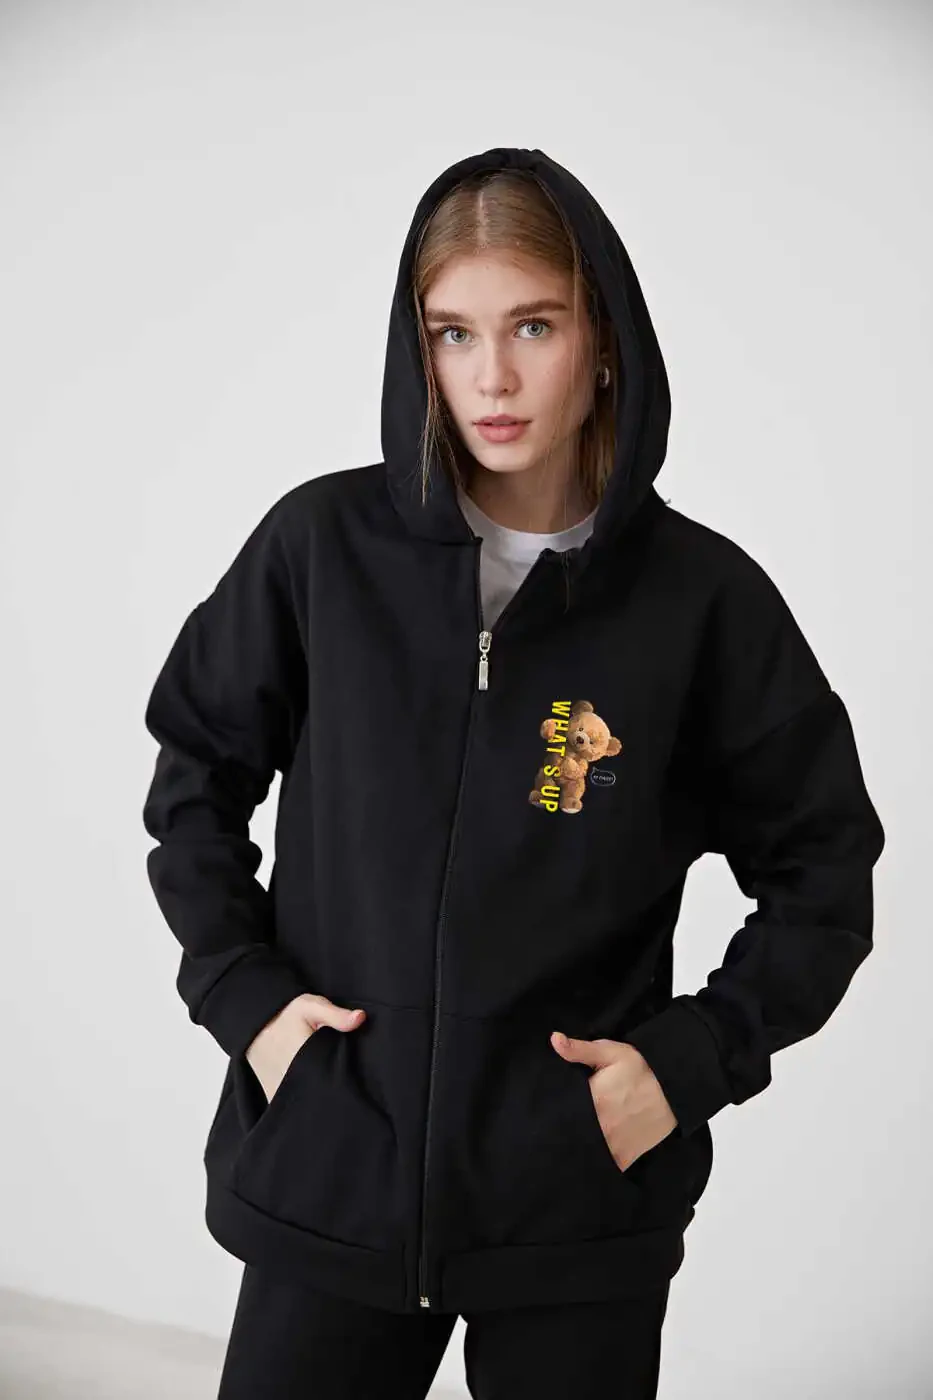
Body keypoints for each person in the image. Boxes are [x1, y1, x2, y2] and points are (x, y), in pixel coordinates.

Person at [141, 145, 886, 1398]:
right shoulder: (320, 550)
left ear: (604, 340)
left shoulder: (702, 602)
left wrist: (690, 1062)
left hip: (575, 1207)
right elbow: (194, 778)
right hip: (336, 1170)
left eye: (533, 325)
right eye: (454, 333)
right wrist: (246, 1000)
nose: (490, 376)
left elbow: (825, 871)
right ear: (418, 349)